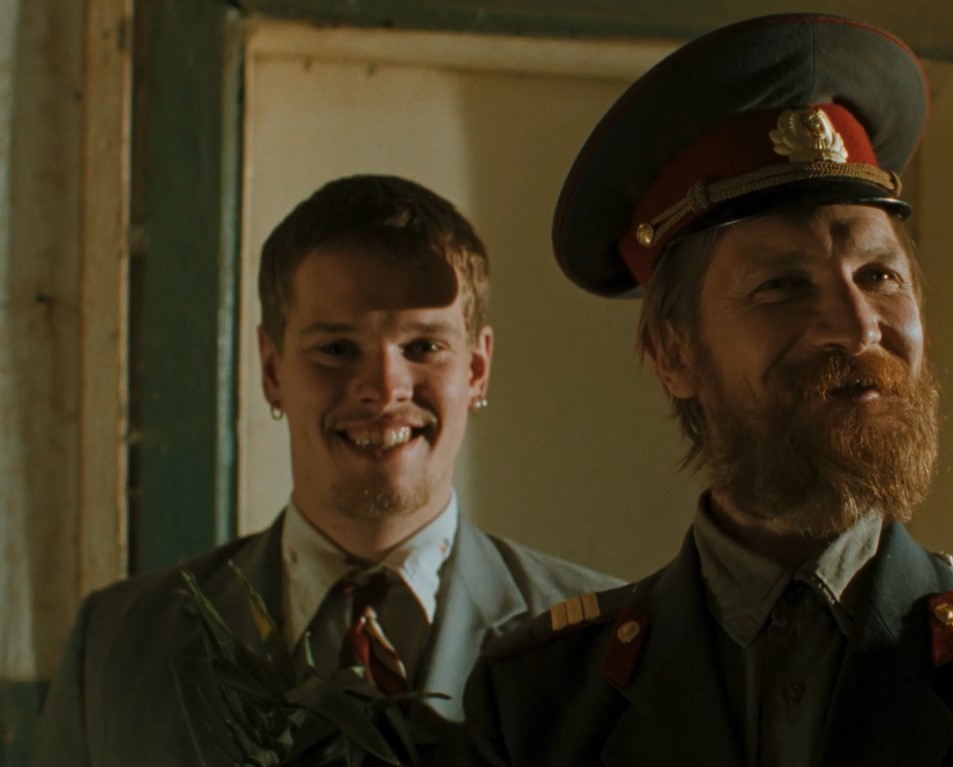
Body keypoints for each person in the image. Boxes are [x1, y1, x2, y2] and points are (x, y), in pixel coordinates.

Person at [460, 14, 953, 766]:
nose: (855, 327)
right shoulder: (542, 699)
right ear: (674, 353)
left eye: (878, 275)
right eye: (782, 285)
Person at [32, 175, 621, 765]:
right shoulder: (116, 647)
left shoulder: (604, 642)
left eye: (423, 346)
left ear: (476, 370)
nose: (384, 389)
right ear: (271, 369)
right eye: (337, 349)